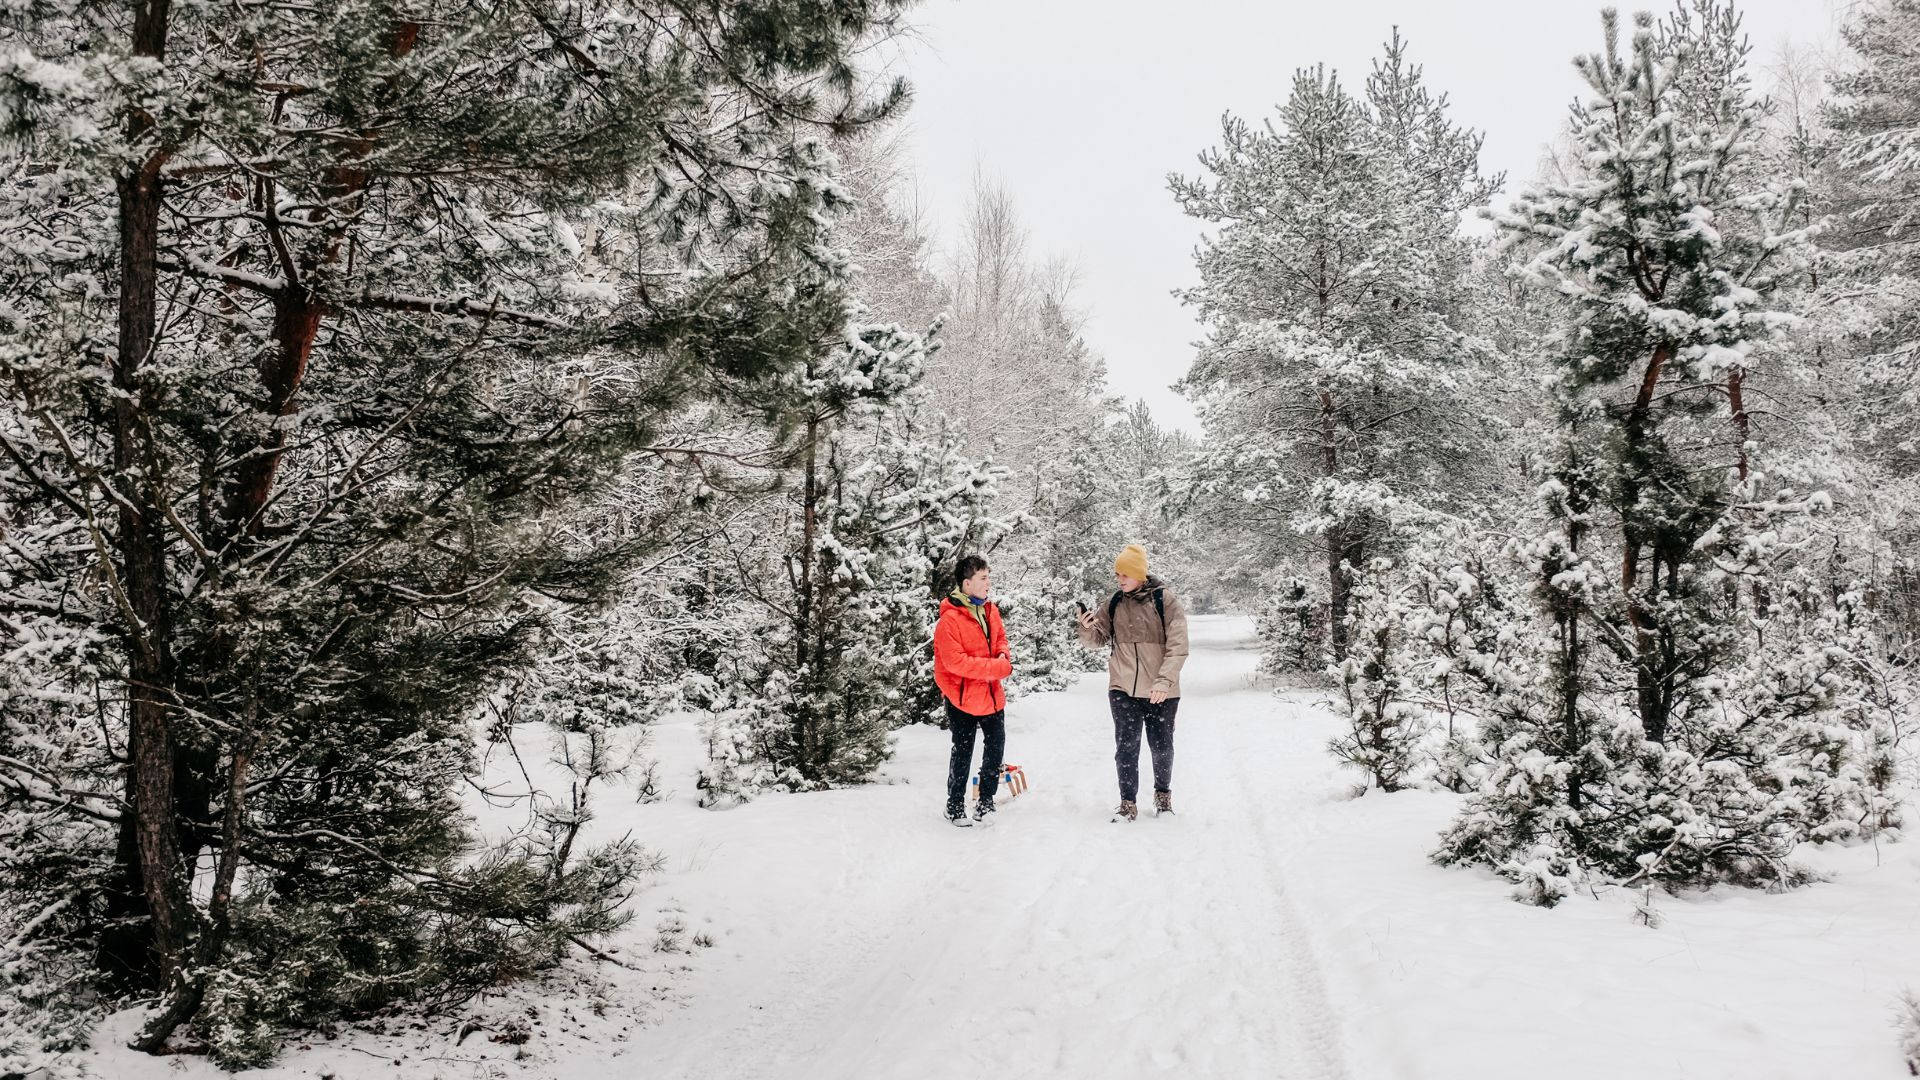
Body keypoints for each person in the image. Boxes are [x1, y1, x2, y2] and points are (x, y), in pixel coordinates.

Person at [1076, 544, 1189, 822]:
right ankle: (1128, 802)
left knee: (1162, 746)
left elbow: (1179, 646)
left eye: (1124, 574)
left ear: (1139, 573)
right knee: (1126, 747)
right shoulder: (1114, 602)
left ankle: (1163, 797)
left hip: (1160, 691)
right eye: (1117, 574)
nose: (1120, 579)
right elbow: (1096, 641)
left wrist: (1164, 682)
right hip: (1123, 689)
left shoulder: (1165, 601)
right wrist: (1086, 627)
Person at [932, 554, 1013, 827]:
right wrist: (995, 668)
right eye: (983, 578)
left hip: (992, 696)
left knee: (995, 750)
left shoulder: (990, 610)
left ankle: (985, 802)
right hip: (962, 698)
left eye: (988, 576)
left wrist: (1002, 654)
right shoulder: (949, 621)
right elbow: (956, 663)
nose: (988, 583)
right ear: (967, 584)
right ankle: (954, 805)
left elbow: (1001, 638)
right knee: (963, 751)